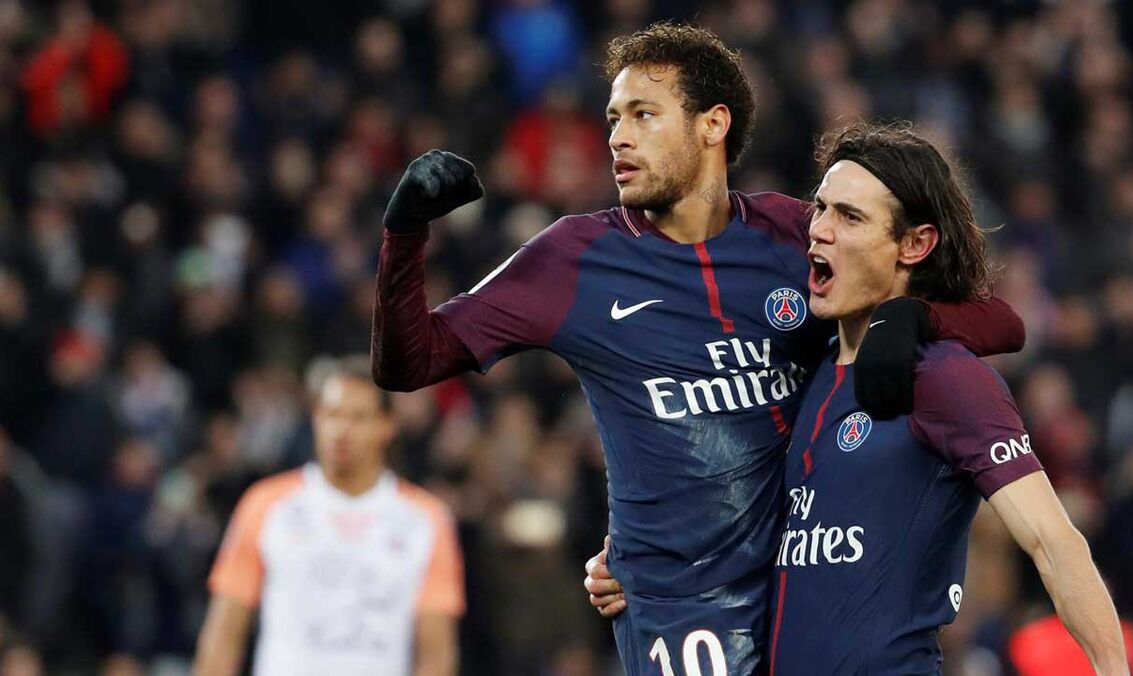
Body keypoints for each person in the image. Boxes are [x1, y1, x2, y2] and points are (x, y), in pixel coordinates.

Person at [372, 23, 1024, 675]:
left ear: (712, 125)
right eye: (613, 119)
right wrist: (404, 236)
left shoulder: (792, 234)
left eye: (643, 115)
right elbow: (411, 362)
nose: (617, 137)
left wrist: (910, 318)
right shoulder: (573, 258)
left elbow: (1000, 322)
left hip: (799, 588)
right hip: (681, 612)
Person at [592, 121, 1128, 675]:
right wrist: (642, 568)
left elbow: (1053, 543)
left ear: (915, 244)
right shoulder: (806, 371)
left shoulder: (945, 377)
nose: (819, 230)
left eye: (850, 217)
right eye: (821, 209)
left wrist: (1113, 669)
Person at [193, 356, 464, 676]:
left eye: (357, 417)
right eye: (332, 414)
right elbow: (224, 635)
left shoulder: (425, 520)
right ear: (316, 419)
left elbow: (435, 654)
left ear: (387, 426)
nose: (341, 430)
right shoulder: (266, 506)